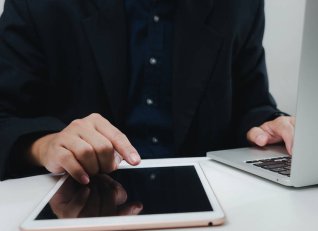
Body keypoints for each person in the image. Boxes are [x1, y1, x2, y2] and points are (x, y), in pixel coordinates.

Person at [0, 0, 295, 184]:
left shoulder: (240, 4)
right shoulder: (36, 4)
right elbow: (5, 118)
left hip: (214, 203)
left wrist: (271, 124)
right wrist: (46, 145)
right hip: (81, 199)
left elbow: (252, 104)